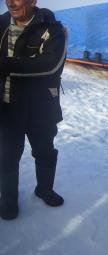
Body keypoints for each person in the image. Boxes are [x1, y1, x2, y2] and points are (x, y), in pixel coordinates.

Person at [0, 0, 67, 220]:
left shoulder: (51, 28)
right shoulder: (1, 24)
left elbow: (50, 64)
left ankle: (44, 189)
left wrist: (7, 64)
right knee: (7, 157)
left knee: (45, 152)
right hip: (7, 107)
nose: (11, 2)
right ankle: (8, 201)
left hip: (40, 108)